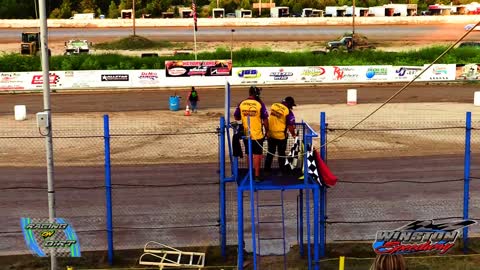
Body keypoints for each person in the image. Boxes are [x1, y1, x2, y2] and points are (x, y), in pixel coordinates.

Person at [234, 86, 269, 182]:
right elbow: (265, 119)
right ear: (257, 94)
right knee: (257, 154)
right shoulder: (260, 104)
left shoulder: (242, 103)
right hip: (258, 134)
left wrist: (246, 115)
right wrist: (267, 130)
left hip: (246, 134)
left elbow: (236, 118)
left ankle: (250, 173)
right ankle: (257, 175)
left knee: (248, 153)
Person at [264, 96, 296, 175]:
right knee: (281, 153)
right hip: (281, 136)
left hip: (271, 134)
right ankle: (282, 171)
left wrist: (267, 131)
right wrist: (294, 135)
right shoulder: (288, 112)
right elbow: (290, 126)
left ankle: (266, 170)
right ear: (290, 105)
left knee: (270, 152)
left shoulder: (274, 105)